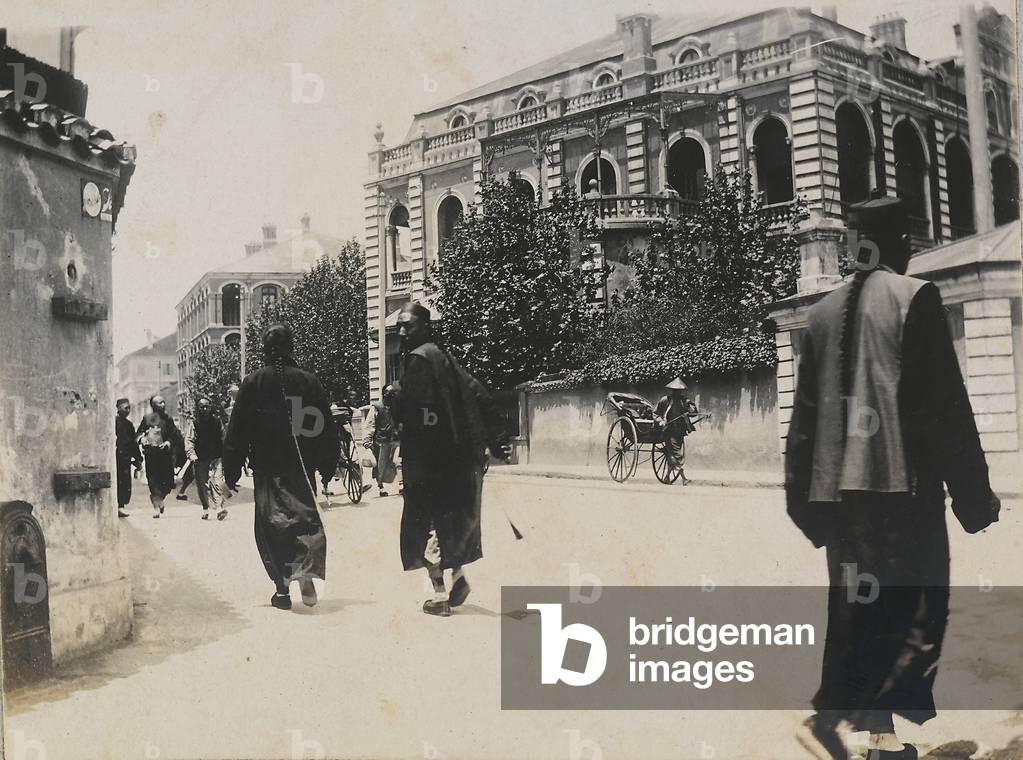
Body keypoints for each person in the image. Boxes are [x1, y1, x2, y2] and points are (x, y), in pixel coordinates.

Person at [785, 194, 1000, 760]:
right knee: (916, 611)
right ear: (899, 244)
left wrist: (805, 507)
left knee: (860, 610)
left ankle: (869, 732)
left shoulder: (821, 313)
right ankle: (866, 731)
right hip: (901, 495)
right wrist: (974, 497)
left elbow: (803, 423)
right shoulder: (913, 298)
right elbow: (944, 407)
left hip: (840, 501)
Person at [392, 303, 511, 617]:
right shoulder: (444, 357)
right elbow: (478, 393)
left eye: (407, 326)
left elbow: (415, 411)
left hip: (428, 459)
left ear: (425, 327)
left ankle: (439, 596)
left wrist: (396, 395)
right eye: (400, 326)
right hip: (456, 458)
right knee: (447, 520)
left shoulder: (418, 360)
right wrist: (495, 437)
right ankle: (457, 576)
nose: (401, 332)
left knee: (425, 523)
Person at [222, 324, 339, 610]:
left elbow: (238, 431)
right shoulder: (308, 381)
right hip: (301, 467)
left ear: (265, 350)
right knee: (304, 520)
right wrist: (327, 464)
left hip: (268, 469)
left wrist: (231, 472)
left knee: (272, 526)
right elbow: (325, 426)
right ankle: (305, 573)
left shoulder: (253, 382)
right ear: (291, 348)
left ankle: (282, 589)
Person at [136, 394, 185, 518]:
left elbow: (174, 434)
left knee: (168, 482)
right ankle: (156, 506)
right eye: (159, 403)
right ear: (153, 405)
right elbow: (139, 434)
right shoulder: (147, 419)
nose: (163, 405)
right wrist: (143, 439)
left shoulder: (168, 419)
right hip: (151, 455)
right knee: (153, 481)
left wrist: (168, 442)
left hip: (165, 456)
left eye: (163, 402)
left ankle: (159, 499)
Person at [184, 396, 228, 521]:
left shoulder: (217, 421)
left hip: (216, 457)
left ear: (210, 407)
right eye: (202, 407)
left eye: (207, 406)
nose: (204, 409)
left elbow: (223, 438)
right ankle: (205, 508)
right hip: (200, 458)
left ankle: (219, 508)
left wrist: (227, 453)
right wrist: (192, 454)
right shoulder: (195, 423)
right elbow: (189, 440)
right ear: (198, 408)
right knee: (202, 484)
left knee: (218, 482)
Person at [654, 377, 698, 486]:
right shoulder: (665, 400)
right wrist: (661, 421)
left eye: (679, 391)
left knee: (673, 454)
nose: (677, 393)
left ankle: (667, 477)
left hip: (680, 432)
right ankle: (684, 479)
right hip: (668, 431)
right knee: (677, 454)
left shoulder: (684, 401)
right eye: (675, 390)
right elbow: (655, 414)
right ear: (672, 390)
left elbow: (693, 413)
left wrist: (691, 407)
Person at [363, 385, 398, 497]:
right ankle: (381, 486)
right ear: (384, 394)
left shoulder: (395, 407)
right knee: (381, 466)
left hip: (395, 439)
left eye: (393, 393)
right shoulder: (376, 407)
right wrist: (367, 441)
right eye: (390, 393)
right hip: (381, 440)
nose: (392, 395)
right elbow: (370, 424)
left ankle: (402, 484)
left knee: (397, 461)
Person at [115, 398, 142, 518]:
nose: (128, 410)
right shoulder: (113, 423)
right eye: (125, 408)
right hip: (116, 457)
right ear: (118, 408)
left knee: (125, 482)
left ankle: (121, 506)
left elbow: (133, 443)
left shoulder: (129, 425)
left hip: (125, 459)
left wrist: (138, 459)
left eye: (129, 408)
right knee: (117, 481)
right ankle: (117, 506)